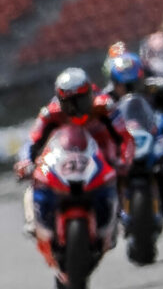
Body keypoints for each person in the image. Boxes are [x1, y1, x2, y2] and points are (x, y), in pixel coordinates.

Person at [14, 68, 134, 236]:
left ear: (90, 94)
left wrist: (125, 159)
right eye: (68, 102)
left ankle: (124, 212)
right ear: (60, 99)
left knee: (122, 173)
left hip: (101, 156)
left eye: (80, 100)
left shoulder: (105, 106)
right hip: (65, 157)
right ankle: (33, 221)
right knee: (35, 180)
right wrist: (25, 161)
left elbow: (124, 136)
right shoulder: (50, 112)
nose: (75, 108)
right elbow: (32, 141)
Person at [106, 52, 163, 220]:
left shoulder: (157, 88)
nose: (128, 89)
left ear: (142, 78)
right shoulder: (106, 98)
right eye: (122, 85)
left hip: (155, 135)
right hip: (122, 141)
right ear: (114, 83)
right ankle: (108, 212)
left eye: (133, 84)